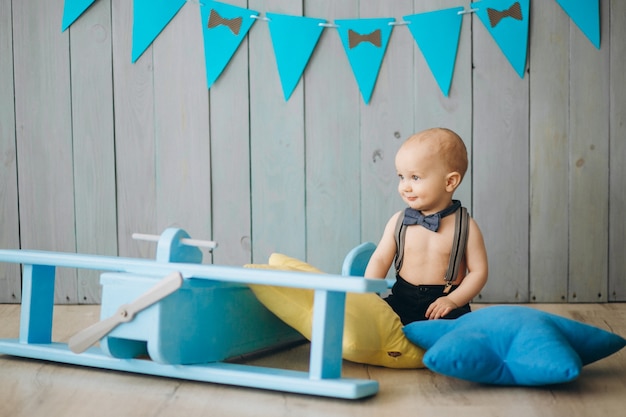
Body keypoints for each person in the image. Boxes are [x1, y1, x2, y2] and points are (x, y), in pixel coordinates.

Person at [364, 128, 488, 324]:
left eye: (415, 177)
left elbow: (478, 272)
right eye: (401, 177)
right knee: (371, 321)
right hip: (402, 299)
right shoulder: (399, 221)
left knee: (463, 331)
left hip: (444, 304)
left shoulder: (466, 226)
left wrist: (452, 300)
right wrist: (369, 295)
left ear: (450, 182)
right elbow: (380, 259)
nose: (405, 186)